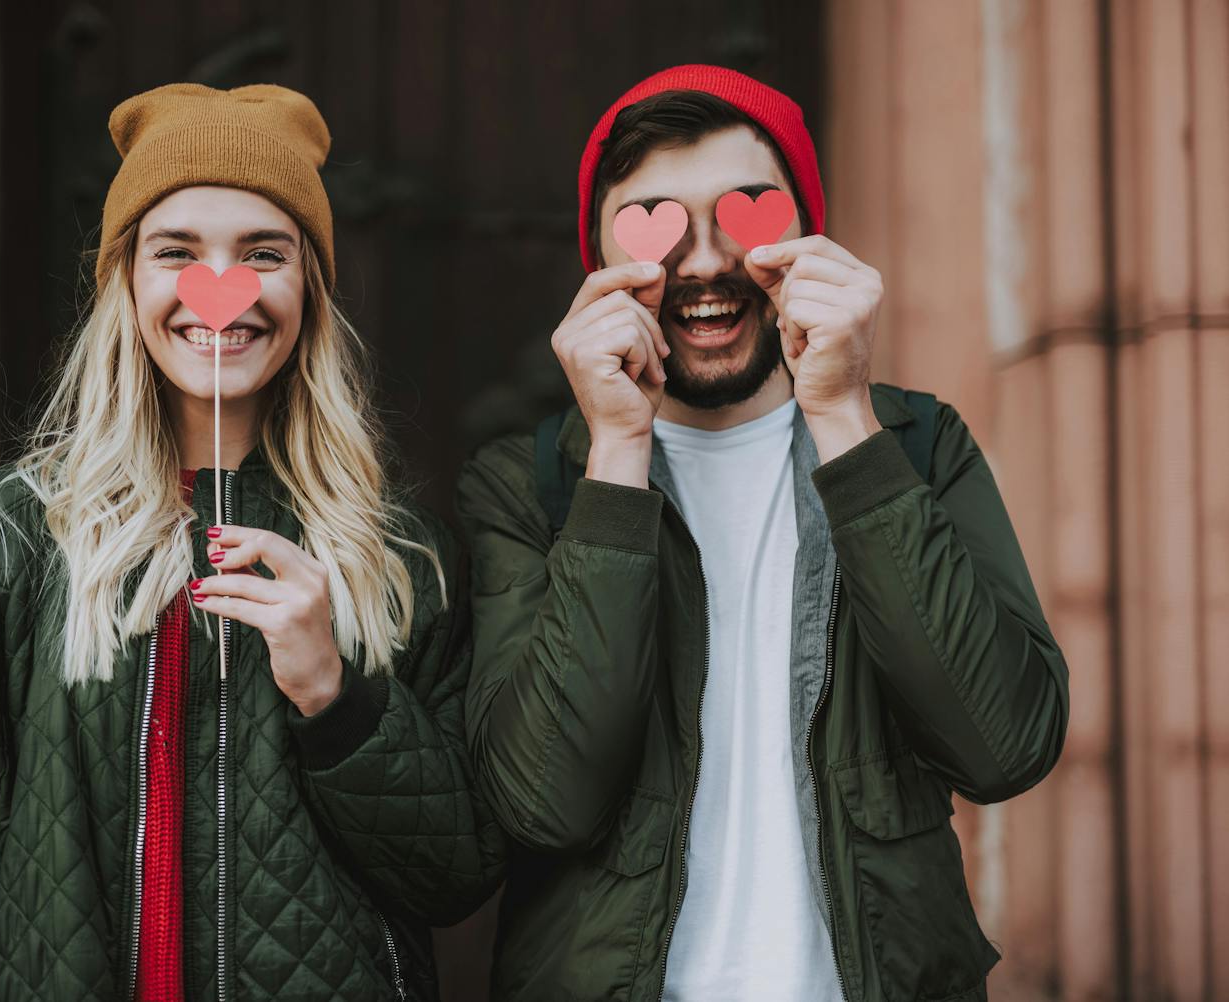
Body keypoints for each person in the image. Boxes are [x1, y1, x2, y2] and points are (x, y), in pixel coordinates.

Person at [0, 81, 503, 1002]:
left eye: (265, 253)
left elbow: (455, 874)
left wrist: (336, 696)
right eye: (178, 251)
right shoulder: (19, 533)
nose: (226, 287)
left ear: (311, 290)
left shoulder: (398, 558)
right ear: (128, 280)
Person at [457, 64, 1068, 1001]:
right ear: (603, 266)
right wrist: (617, 452)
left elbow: (1004, 745)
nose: (702, 262)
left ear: (809, 240)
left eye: (744, 213)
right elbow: (545, 803)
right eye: (655, 224)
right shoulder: (528, 484)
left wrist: (844, 420)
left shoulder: (914, 443)